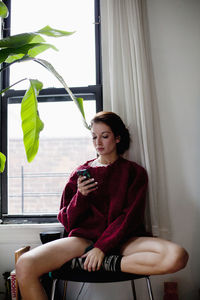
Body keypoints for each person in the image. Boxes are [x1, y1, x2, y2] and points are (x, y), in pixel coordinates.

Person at [16, 111, 188, 300]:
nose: (98, 142)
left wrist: (102, 249)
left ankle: (105, 262)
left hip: (124, 241)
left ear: (118, 138)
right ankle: (96, 259)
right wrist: (80, 197)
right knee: (25, 264)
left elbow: (129, 217)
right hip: (83, 241)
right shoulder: (80, 173)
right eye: (94, 137)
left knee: (178, 256)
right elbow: (67, 221)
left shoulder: (134, 172)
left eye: (104, 136)